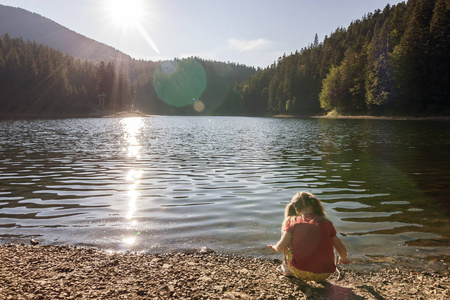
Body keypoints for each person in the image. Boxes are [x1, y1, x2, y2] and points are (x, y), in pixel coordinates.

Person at [268, 191, 350, 281]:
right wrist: (343, 258)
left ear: (295, 207)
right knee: (327, 240)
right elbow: (341, 248)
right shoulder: (327, 223)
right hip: (325, 273)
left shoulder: (293, 221)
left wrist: (275, 247)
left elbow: (281, 247)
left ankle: (288, 270)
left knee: (288, 241)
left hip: (300, 272)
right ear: (314, 204)